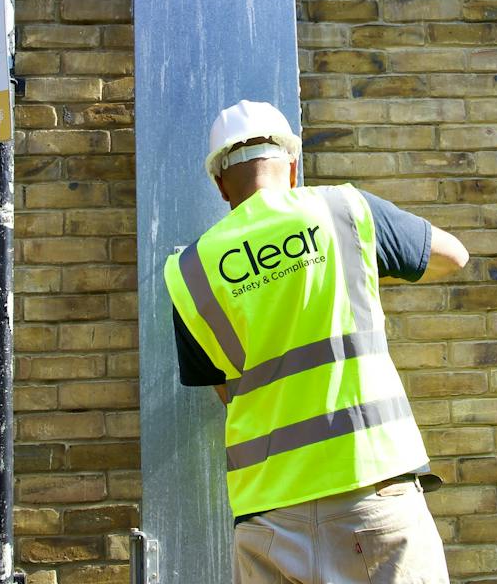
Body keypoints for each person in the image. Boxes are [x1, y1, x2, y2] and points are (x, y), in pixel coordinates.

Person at [163, 100, 470, 584]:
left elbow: (227, 391)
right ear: (292, 166)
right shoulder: (343, 209)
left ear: (221, 184)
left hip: (266, 518)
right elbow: (454, 255)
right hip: (372, 496)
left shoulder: (190, 271)